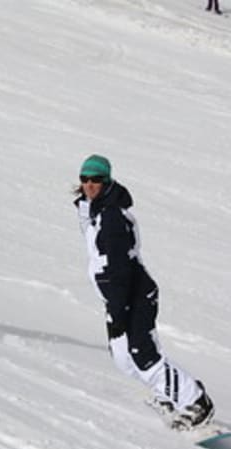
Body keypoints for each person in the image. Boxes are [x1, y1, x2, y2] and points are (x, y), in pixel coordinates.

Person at [73, 154, 214, 430]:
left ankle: (196, 402)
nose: (89, 184)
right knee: (123, 358)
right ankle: (168, 395)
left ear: (107, 181)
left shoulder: (112, 216)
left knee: (143, 354)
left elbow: (119, 268)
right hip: (116, 295)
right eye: (85, 179)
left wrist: (118, 307)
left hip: (133, 294)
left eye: (96, 179)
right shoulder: (95, 210)